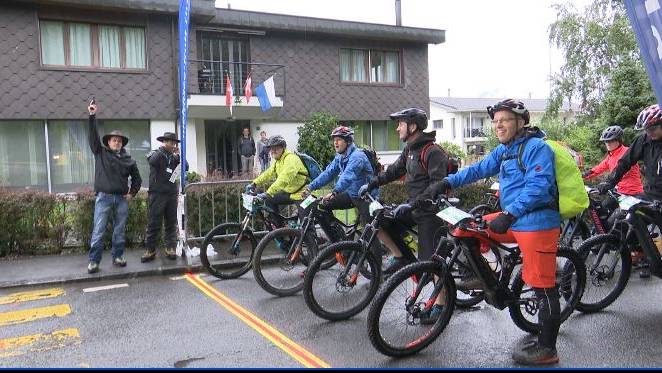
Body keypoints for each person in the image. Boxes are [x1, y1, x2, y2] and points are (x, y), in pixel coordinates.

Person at [433, 99, 561, 365]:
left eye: (504, 120)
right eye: (495, 121)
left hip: (537, 222)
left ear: (521, 122)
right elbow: (478, 169)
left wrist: (509, 214)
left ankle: (548, 349)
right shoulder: (505, 150)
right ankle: (482, 277)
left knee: (542, 287)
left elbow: (538, 188)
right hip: (513, 218)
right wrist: (447, 182)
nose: (498, 125)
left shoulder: (537, 148)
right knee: (465, 227)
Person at [359, 108, 448, 278]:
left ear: (412, 127)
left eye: (400, 124)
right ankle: (402, 257)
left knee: (431, 266)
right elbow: (393, 171)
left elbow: (437, 186)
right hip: (413, 207)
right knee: (379, 220)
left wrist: (412, 204)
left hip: (431, 213)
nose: (397, 128)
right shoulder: (409, 150)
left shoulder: (432, 152)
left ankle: (441, 303)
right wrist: (372, 183)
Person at [598, 105, 662, 278]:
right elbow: (625, 162)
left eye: (653, 128)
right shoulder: (644, 141)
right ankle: (643, 255)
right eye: (646, 129)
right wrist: (609, 182)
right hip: (650, 194)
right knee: (623, 217)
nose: (649, 132)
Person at [87, 100, 142, 274]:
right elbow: (93, 137)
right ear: (108, 143)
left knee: (119, 231)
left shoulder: (129, 160)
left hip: (121, 199)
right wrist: (92, 116)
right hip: (103, 197)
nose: (117, 143)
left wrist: (132, 193)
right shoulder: (100, 153)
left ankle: (118, 257)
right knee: (99, 230)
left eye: (119, 141)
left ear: (122, 144)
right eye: (114, 140)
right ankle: (94, 261)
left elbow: (137, 179)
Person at [304, 126, 375, 235]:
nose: (335, 143)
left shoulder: (357, 156)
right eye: (334, 140)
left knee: (369, 231)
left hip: (366, 197)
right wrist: (310, 187)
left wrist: (334, 192)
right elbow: (328, 173)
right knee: (323, 206)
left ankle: (378, 252)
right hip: (352, 194)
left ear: (347, 141)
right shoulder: (340, 156)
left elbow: (348, 176)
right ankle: (340, 240)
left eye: (339, 140)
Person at [141, 132, 188, 263]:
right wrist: (163, 150)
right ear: (164, 142)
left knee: (171, 222)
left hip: (172, 194)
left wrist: (178, 156)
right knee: (154, 222)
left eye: (174, 143)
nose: (173, 145)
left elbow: (186, 167)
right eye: (170, 142)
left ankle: (170, 248)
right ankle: (150, 250)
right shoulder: (157, 153)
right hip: (157, 194)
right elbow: (152, 161)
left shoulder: (175, 157)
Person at [246, 135, 309, 227]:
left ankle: (312, 239)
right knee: (270, 200)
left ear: (283, 148)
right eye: (271, 148)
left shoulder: (291, 159)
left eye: (276, 148)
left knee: (306, 224)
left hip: (302, 194)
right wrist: (254, 183)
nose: (273, 151)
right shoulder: (278, 161)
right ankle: (279, 228)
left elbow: (284, 179)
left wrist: (268, 192)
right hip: (290, 192)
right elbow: (268, 173)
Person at [583, 125, 644, 196]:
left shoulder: (627, 152)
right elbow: (598, 169)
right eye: (606, 141)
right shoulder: (611, 156)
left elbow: (621, 170)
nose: (608, 143)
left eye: (611, 140)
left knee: (605, 205)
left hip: (632, 192)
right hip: (619, 190)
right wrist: (582, 176)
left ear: (618, 140)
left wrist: (606, 183)